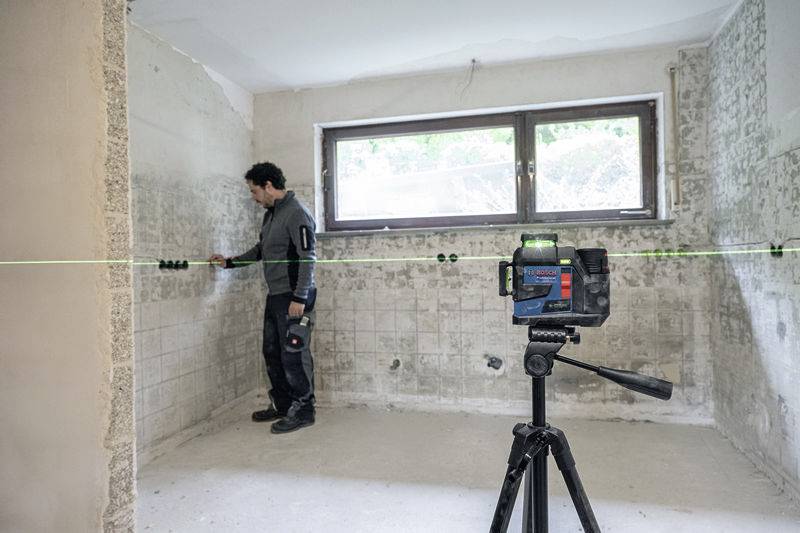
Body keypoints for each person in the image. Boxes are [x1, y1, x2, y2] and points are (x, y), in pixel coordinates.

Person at [210, 161, 317, 434]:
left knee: (294, 354)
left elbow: (308, 258)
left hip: (294, 297)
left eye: (255, 191)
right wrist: (230, 263)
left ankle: (304, 410)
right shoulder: (271, 213)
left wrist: (300, 298)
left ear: (269, 186)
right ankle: (283, 404)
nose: (254, 198)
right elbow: (262, 249)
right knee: (272, 352)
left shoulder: (296, 213)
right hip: (276, 296)